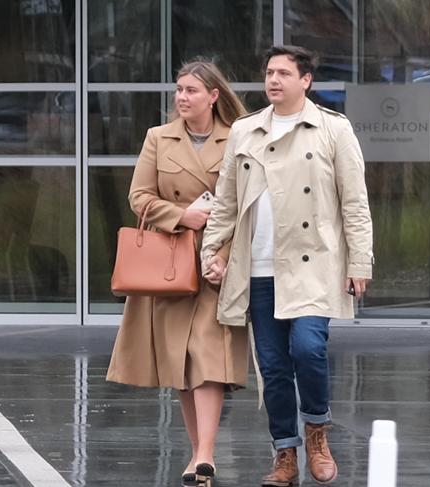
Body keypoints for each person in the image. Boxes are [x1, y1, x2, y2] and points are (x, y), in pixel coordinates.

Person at [201, 45, 374, 486]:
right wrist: (212, 251)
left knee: (308, 349)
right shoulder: (245, 130)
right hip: (257, 267)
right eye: (269, 72)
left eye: (283, 73)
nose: (273, 80)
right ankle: (285, 454)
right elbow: (226, 200)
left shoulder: (332, 130)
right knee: (273, 369)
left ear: (306, 80)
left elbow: (355, 203)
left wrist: (360, 262)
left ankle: (317, 433)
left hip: (313, 264)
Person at [106, 60, 249, 487]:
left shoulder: (238, 137)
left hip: (219, 261)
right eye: (179, 89)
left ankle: (204, 454)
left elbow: (248, 202)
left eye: (190, 90)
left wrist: (225, 255)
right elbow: (139, 197)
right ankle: (198, 453)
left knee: (209, 359)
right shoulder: (158, 138)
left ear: (213, 95)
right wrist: (182, 215)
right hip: (171, 263)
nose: (182, 97)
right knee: (182, 365)